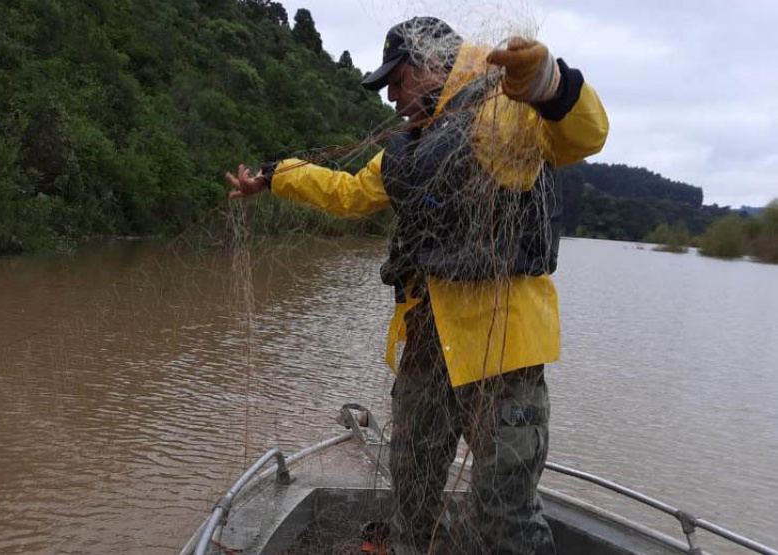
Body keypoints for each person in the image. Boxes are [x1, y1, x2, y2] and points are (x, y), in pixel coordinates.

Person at [226, 17, 608, 555]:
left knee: (506, 517)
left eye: (398, 81)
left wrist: (550, 84)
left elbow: (583, 136)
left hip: (502, 360)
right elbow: (347, 193)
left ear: (433, 65)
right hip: (427, 353)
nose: (393, 98)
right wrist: (273, 176)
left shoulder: (507, 112)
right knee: (411, 504)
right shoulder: (405, 151)